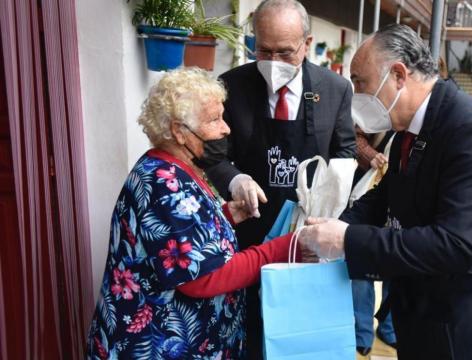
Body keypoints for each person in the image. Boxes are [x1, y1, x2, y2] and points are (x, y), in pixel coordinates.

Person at [298, 24, 472, 359]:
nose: (356, 94)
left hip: (470, 328)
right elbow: (383, 199)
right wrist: (325, 232)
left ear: (398, 74)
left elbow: (455, 244)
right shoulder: (409, 130)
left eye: (361, 82)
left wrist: (347, 239)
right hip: (423, 317)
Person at [86, 68, 297, 359]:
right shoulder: (162, 181)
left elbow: (181, 235)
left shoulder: (174, 167)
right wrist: (280, 249)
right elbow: (203, 279)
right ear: (179, 131)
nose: (226, 129)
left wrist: (226, 214)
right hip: (157, 347)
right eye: (214, 120)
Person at [202, 0, 356, 357]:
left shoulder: (334, 89)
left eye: (285, 52)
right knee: (253, 326)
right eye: (263, 50)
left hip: (308, 229)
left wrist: (328, 197)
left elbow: (345, 152)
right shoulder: (232, 86)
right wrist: (236, 180)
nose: (273, 62)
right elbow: (215, 156)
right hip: (251, 228)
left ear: (306, 43)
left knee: (301, 326)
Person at [352, 127, 396, 356]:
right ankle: (362, 333)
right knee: (362, 269)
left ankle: (389, 328)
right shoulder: (380, 103)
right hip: (369, 189)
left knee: (397, 271)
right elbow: (355, 133)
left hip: (402, 210)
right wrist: (371, 154)